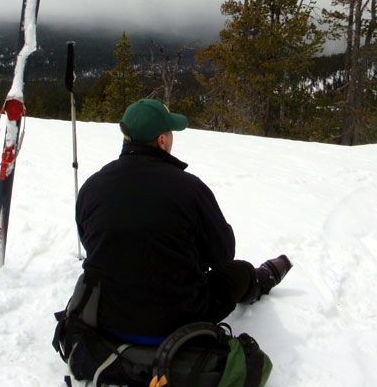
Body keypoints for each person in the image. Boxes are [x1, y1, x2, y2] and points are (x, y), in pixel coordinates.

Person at [75, 98, 292, 343]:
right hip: (177, 323)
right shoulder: (190, 189)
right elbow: (223, 256)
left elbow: (90, 242)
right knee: (239, 271)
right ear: (162, 140)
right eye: (170, 133)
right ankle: (260, 280)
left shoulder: (92, 187)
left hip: (106, 317)